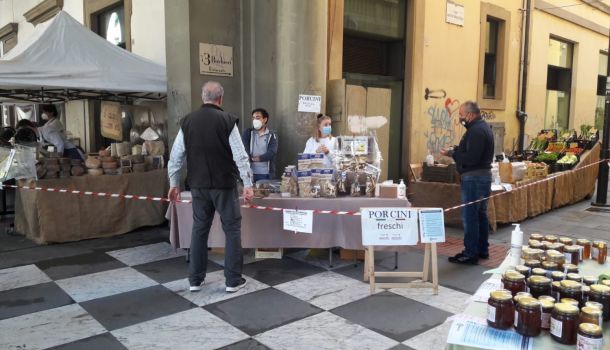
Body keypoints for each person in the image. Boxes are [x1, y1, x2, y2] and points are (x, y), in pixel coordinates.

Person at [167, 81, 254, 293]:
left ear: (202, 97)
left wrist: (174, 183)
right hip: (224, 185)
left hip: (198, 185)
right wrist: (248, 184)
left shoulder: (187, 122)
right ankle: (233, 281)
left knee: (199, 230)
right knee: (232, 230)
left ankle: (195, 280)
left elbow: (176, 156)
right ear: (221, 99)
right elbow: (240, 155)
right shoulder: (227, 120)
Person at [441, 101, 494, 265]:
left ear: (470, 115)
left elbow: (472, 158)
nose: (460, 118)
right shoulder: (482, 128)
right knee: (480, 214)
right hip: (482, 177)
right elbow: (472, 153)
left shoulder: (476, 131)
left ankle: (471, 253)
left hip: (474, 179)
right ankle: (482, 250)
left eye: (462, 115)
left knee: (470, 216)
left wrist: (453, 154)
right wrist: (456, 151)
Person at [241, 108, 278, 183]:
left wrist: (255, 159)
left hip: (265, 174)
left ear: (265, 119)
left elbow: (271, 153)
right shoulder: (248, 133)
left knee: (263, 194)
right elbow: (244, 150)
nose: (255, 120)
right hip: (249, 173)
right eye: (254, 118)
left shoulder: (272, 135)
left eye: (258, 118)